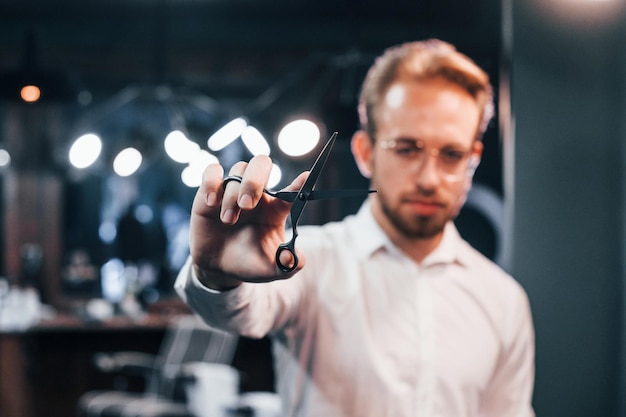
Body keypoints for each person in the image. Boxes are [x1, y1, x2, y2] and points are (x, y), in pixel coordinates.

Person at [175, 39, 535, 417]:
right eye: (407, 148)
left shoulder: (503, 300)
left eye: (451, 154)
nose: (429, 178)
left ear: (472, 159)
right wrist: (216, 275)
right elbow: (239, 311)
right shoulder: (308, 263)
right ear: (365, 152)